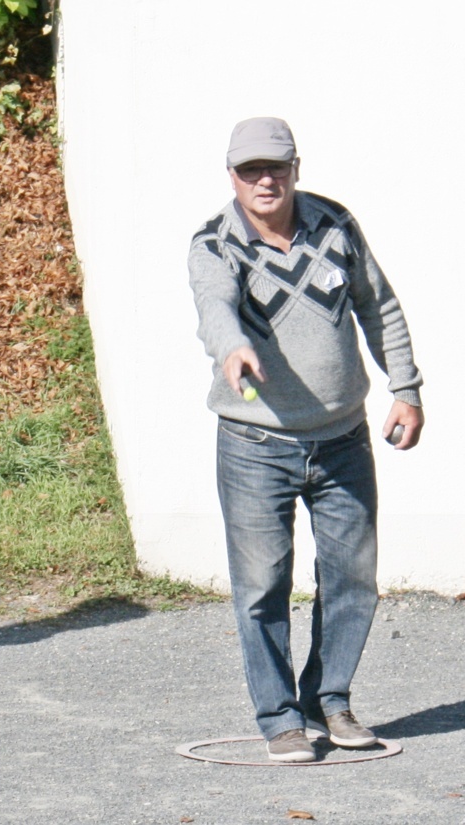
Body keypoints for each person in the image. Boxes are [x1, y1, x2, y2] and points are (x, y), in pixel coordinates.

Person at [188, 117, 424, 762]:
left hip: (342, 437)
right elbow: (215, 306)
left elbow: (380, 305)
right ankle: (279, 718)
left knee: (353, 578)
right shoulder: (216, 243)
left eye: (277, 167)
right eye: (250, 170)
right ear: (231, 175)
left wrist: (405, 387)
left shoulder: (335, 225)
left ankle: (330, 700)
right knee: (263, 585)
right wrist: (233, 346)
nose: (265, 180)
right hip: (254, 445)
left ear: (296, 168)